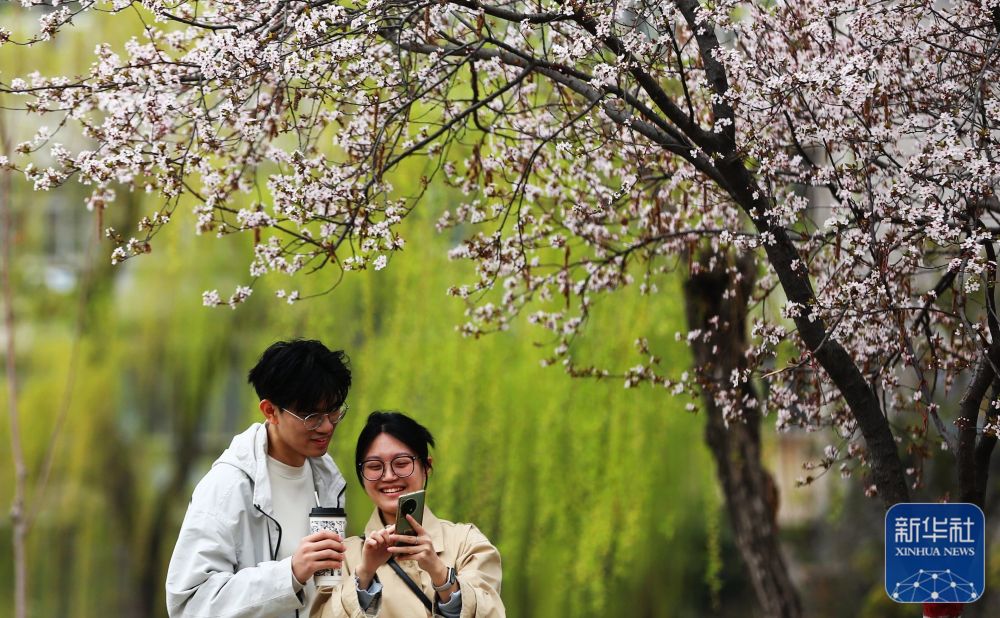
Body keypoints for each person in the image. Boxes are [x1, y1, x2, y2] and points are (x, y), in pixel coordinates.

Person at [166, 339, 353, 618]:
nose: (326, 426)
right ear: (270, 411)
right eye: (311, 416)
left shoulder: (327, 480)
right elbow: (190, 604)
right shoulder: (227, 487)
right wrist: (290, 573)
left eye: (334, 411)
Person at [312, 411, 505, 618]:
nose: (388, 476)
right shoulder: (337, 556)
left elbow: (491, 611)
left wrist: (439, 573)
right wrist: (365, 574)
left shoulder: (467, 543)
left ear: (426, 467)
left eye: (402, 463)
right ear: (362, 475)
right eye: (374, 466)